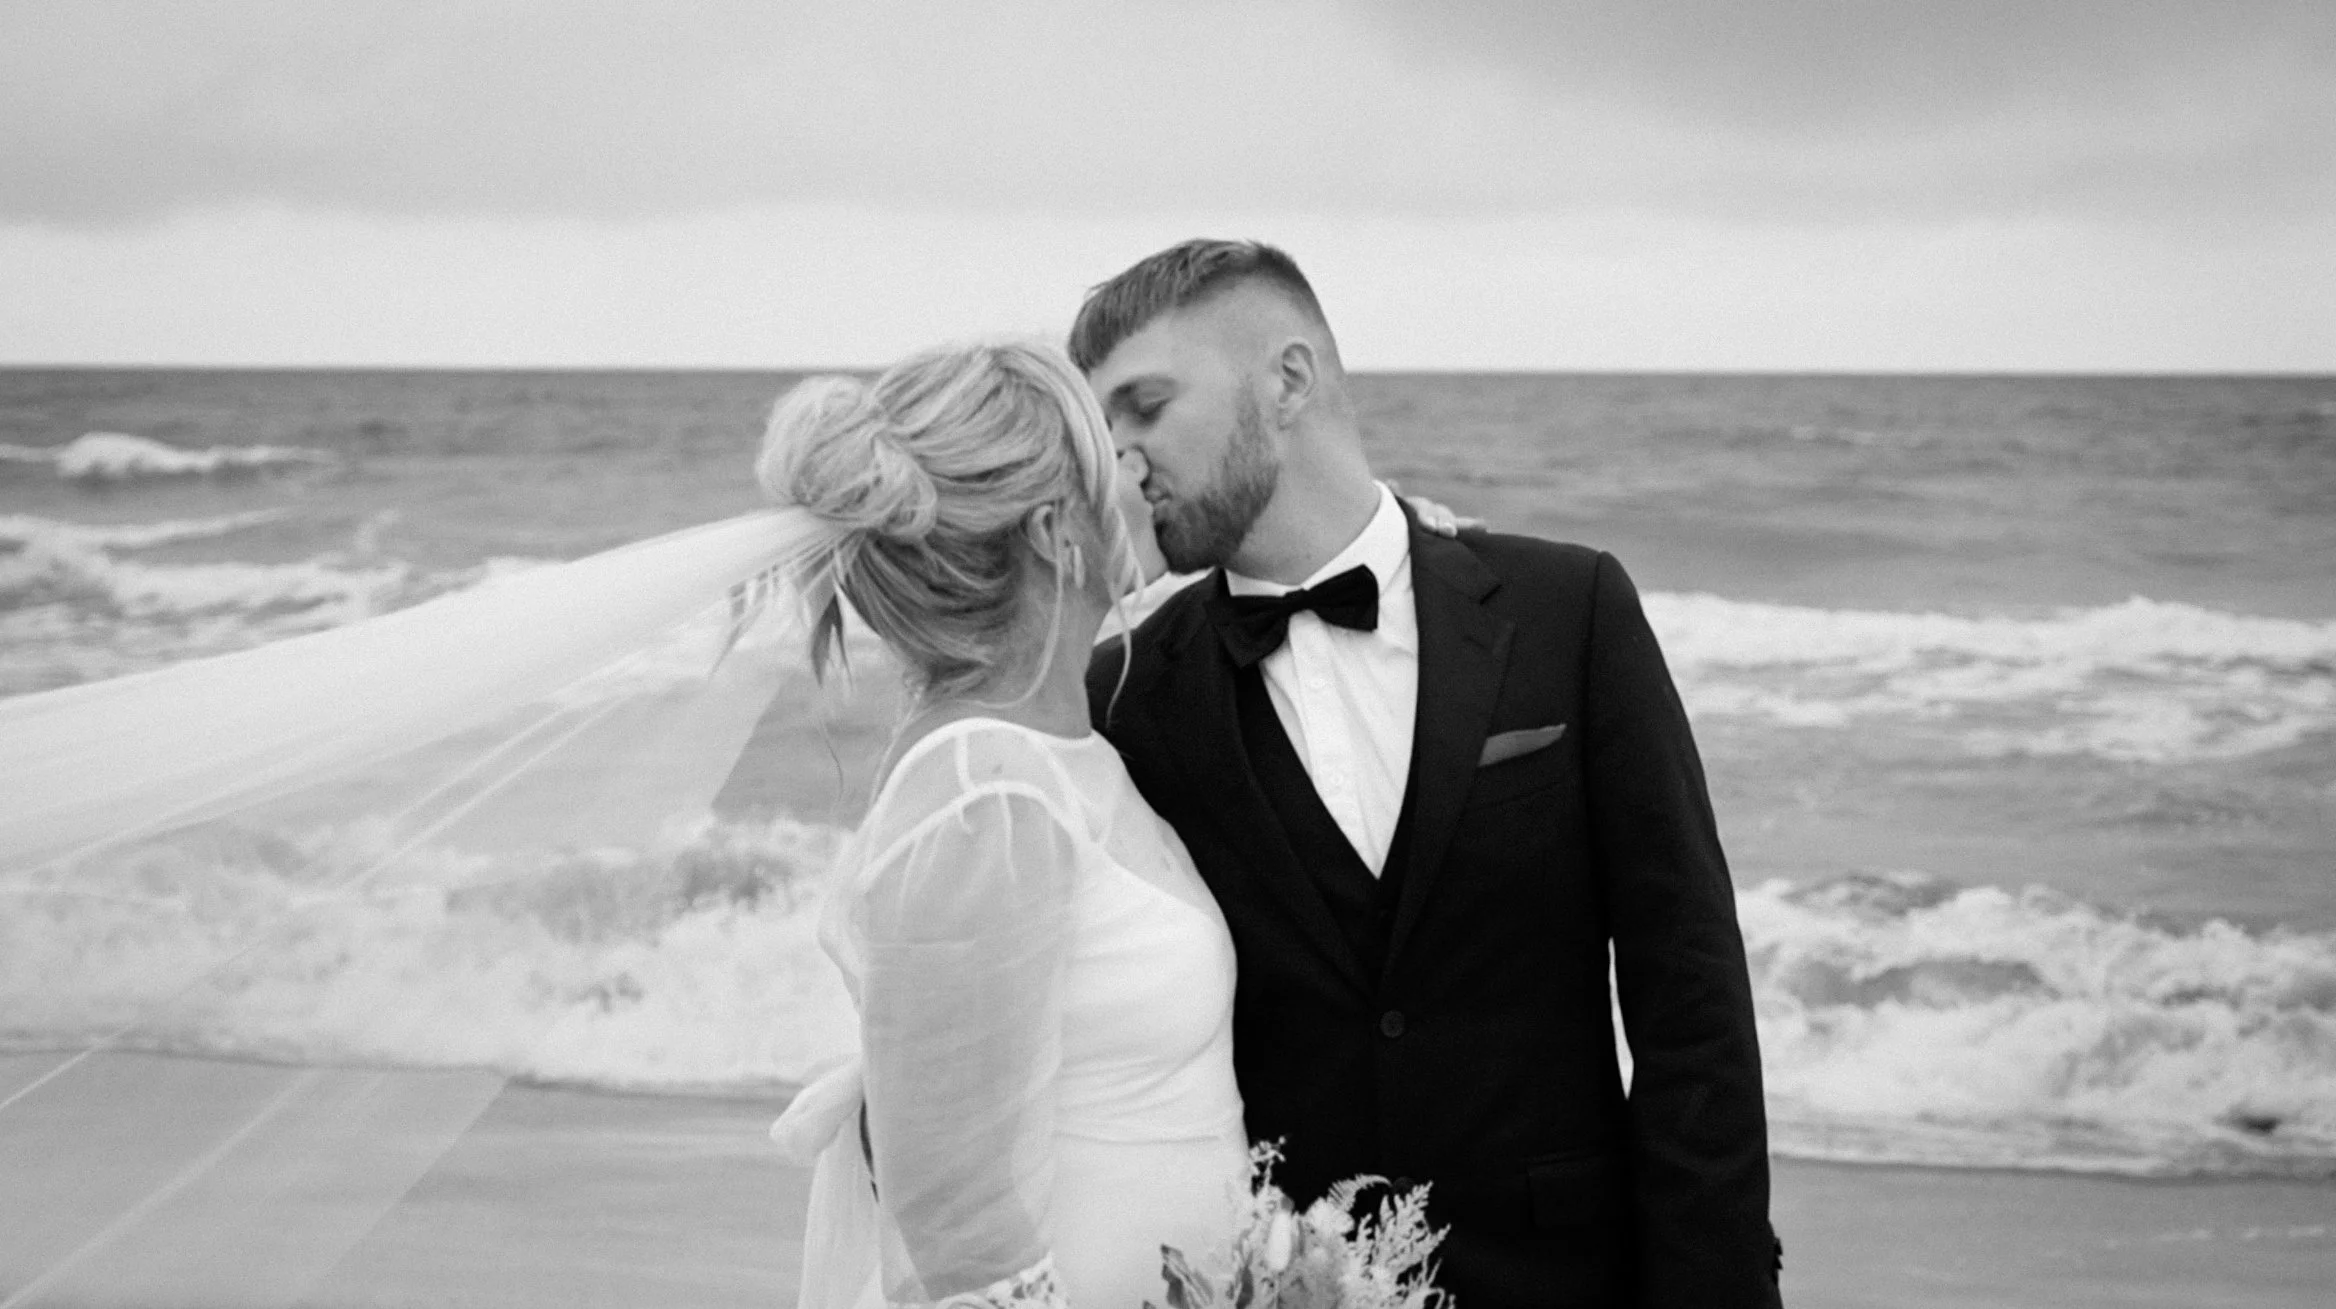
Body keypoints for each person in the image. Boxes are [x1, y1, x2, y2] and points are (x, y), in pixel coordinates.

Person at [1075, 240, 1783, 1308]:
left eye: (1145, 407)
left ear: (1288, 379)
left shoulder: (1566, 612)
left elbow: (1689, 999)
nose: (1121, 462)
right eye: (1103, 430)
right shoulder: (1123, 696)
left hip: (1568, 1279)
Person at [764, 340, 1250, 1308]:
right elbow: (960, 1231)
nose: (1139, 463)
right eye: (1107, 451)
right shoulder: (984, 793)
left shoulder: (1053, 754)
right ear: (1050, 530)